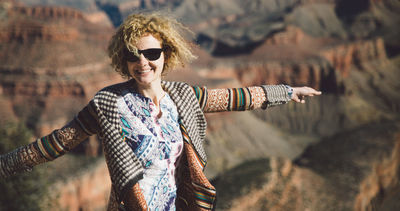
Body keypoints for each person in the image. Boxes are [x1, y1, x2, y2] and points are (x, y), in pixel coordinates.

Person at [0, 13, 321, 210]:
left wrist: (288, 91)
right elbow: (58, 143)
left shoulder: (183, 95)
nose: (143, 62)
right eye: (132, 55)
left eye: (151, 52)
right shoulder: (107, 103)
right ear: (122, 60)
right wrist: (4, 166)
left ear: (166, 54)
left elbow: (237, 97)